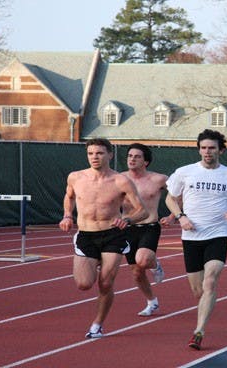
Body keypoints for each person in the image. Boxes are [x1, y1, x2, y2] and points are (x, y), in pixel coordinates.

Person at [164, 129, 227, 350]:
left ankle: (198, 331)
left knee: (211, 280)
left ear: (221, 150)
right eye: (203, 147)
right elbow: (170, 199)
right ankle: (205, 308)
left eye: (211, 148)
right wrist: (181, 217)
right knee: (198, 291)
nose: (207, 152)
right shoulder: (185, 172)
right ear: (199, 149)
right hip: (190, 236)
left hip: (218, 234)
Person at [59, 138, 148, 339]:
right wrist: (67, 214)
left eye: (99, 153)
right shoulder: (76, 177)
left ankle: (97, 325)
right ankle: (96, 261)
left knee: (106, 284)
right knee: (83, 284)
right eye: (91, 153)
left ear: (110, 154)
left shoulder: (121, 181)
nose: (94, 157)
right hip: (86, 234)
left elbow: (141, 211)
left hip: (113, 235)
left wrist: (128, 219)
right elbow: (70, 196)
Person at [121, 143, 172, 317]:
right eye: (130, 156)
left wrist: (173, 216)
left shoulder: (159, 179)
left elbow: (179, 195)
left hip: (149, 226)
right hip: (127, 228)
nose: (132, 159)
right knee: (136, 272)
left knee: (143, 259)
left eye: (137, 156)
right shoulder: (120, 179)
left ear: (146, 162)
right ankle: (152, 302)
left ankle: (155, 264)